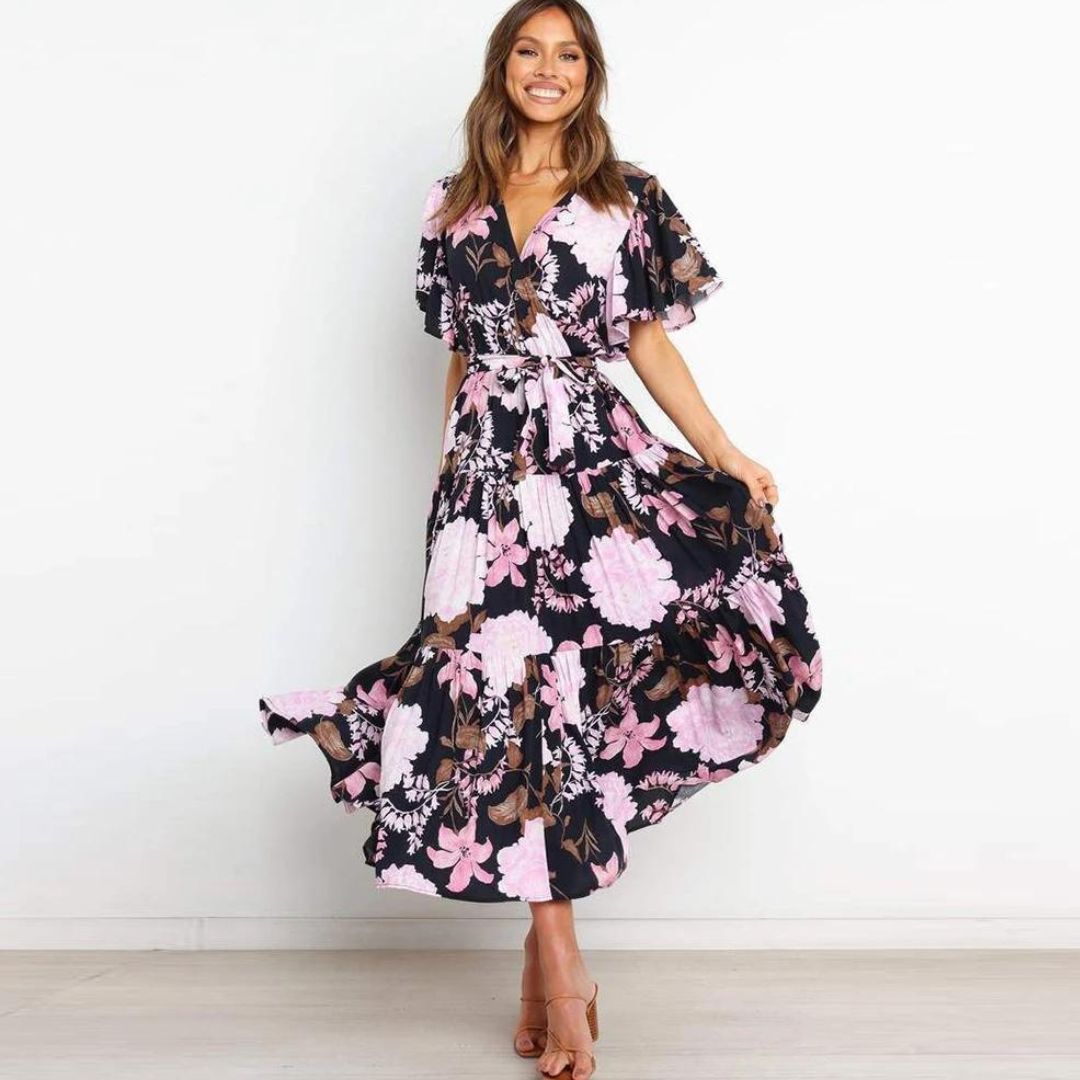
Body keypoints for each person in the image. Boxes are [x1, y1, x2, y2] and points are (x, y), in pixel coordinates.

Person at [258, 1, 823, 1076]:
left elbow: (645, 344)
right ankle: (555, 959)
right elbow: (459, 358)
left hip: (586, 470)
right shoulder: (452, 204)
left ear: (589, 74)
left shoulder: (624, 197)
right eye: (530, 50)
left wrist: (725, 452)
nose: (548, 69)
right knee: (497, 697)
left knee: (558, 699)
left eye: (568, 54)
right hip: (482, 482)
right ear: (503, 67)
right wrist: (450, 489)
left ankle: (557, 970)